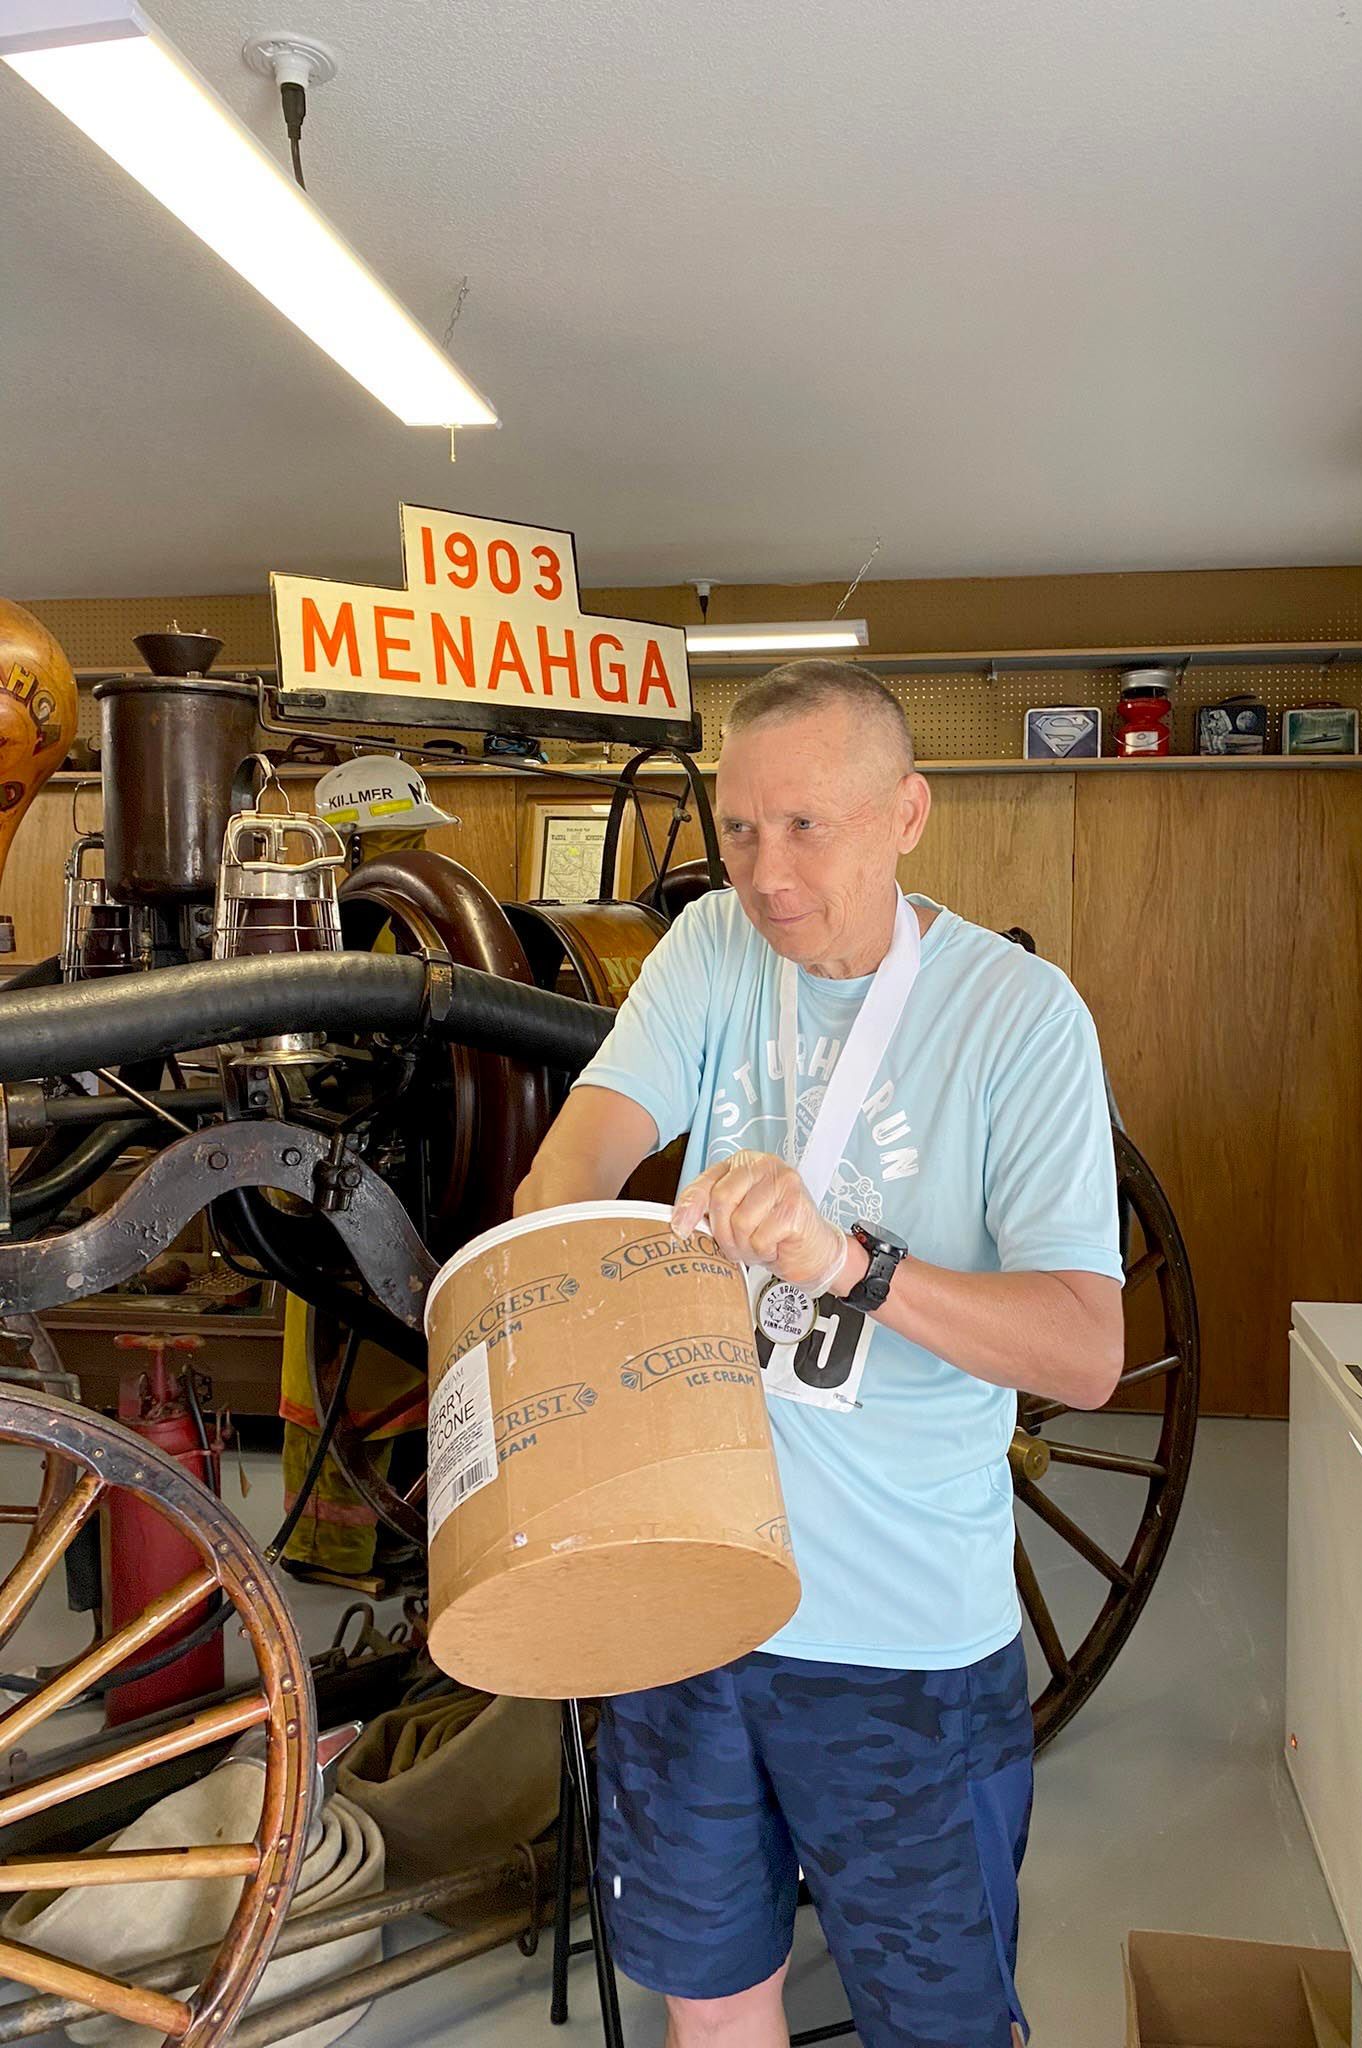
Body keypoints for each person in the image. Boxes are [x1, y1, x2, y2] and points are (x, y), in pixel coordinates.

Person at [513, 661, 1125, 2048]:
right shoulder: (712, 950)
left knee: (939, 2022)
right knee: (713, 2002)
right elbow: (573, 1163)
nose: (766, 874)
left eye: (808, 828)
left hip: (902, 1641)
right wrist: (584, 1242)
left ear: (906, 815)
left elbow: (1090, 1351)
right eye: (738, 830)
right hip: (694, 1607)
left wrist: (854, 1263)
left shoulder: (1020, 1020)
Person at [277, 756, 456, 1587]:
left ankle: (377, 1536)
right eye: (404, 835)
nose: (417, 849)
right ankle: (332, 1547)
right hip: (344, 1185)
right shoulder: (339, 933)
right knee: (340, 1380)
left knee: (378, 1373)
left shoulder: (371, 928)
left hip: (382, 1185)